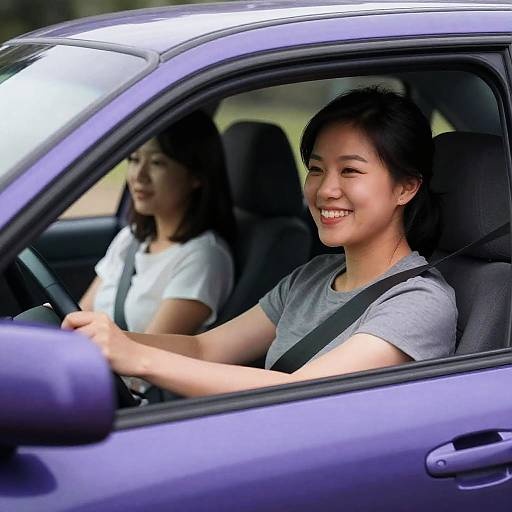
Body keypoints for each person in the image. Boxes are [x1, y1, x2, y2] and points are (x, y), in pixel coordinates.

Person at [63, 88, 457, 399]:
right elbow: (204, 349)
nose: (324, 190)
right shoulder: (312, 277)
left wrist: (139, 358)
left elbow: (301, 394)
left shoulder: (419, 301)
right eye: (316, 169)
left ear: (406, 187)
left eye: (350, 171)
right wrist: (102, 339)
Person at [80, 110, 236, 337]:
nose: (138, 175)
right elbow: (80, 311)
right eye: (134, 159)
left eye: (157, 162)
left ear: (196, 176)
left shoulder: (204, 257)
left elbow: (149, 356)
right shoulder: (131, 238)